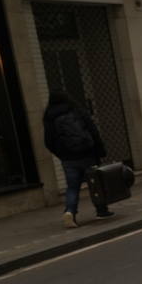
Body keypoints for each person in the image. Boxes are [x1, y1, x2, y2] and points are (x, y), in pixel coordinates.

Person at [42, 91, 112, 228]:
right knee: (95, 184)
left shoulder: (49, 117)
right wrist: (100, 149)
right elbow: (93, 130)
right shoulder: (77, 110)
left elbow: (48, 142)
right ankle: (102, 210)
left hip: (68, 159)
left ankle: (70, 212)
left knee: (72, 187)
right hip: (87, 154)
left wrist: (61, 154)